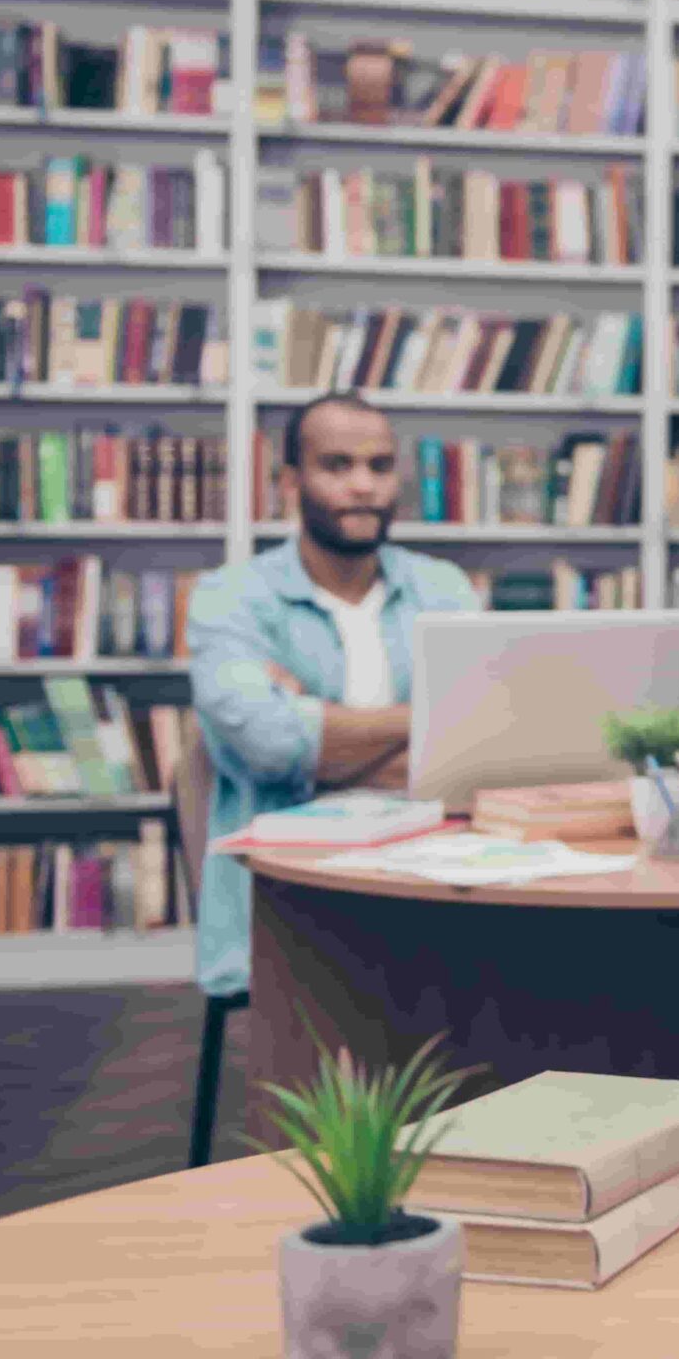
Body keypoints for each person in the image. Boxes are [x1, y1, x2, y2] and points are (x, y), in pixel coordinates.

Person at [185, 393, 481, 1000]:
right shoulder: (229, 598)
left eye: (378, 466)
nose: (363, 486)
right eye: (337, 465)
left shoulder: (442, 589)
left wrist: (314, 728)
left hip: (437, 882)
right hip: (291, 902)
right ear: (291, 481)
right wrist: (429, 726)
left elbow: (484, 744)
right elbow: (268, 746)